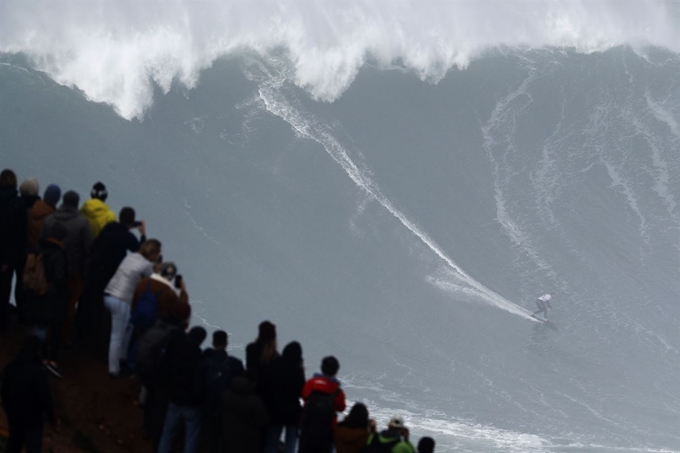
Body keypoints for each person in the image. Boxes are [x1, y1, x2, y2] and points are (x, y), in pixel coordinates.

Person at [77, 206, 145, 353]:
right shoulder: (127, 236)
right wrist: (143, 235)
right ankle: (98, 346)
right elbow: (141, 253)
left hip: (93, 272)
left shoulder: (109, 227)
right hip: (108, 277)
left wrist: (129, 225)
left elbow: (120, 229)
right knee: (104, 312)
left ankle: (79, 336)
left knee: (88, 303)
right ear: (131, 222)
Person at [136, 302, 191, 451]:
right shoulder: (176, 334)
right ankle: (157, 440)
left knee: (150, 402)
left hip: (149, 373)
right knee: (161, 411)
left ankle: (147, 430)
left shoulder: (160, 323)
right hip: (163, 379)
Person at [103, 239, 161, 377]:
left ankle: (122, 357)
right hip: (121, 300)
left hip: (108, 294)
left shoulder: (131, 256)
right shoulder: (146, 265)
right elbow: (153, 281)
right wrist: (157, 268)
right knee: (117, 335)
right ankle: (114, 369)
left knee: (129, 325)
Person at [42, 190, 93, 345]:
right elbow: (88, 250)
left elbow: (40, 242)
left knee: (45, 301)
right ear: (76, 204)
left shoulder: (49, 219)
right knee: (68, 307)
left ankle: (40, 337)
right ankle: (61, 340)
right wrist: (84, 273)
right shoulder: (82, 223)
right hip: (72, 272)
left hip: (47, 269)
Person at [25, 221, 70, 379]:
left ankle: (35, 355)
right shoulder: (58, 254)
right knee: (55, 329)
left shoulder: (36, 248)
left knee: (38, 326)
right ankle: (50, 361)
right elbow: (59, 278)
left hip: (34, 295)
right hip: (52, 299)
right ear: (60, 238)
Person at [1, 335, 56, 453]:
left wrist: (9, 410)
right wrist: (52, 418)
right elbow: (45, 397)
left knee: (13, 445)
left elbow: (4, 390)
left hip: (15, 415)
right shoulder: (38, 371)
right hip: (32, 419)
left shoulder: (12, 366)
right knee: (33, 448)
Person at [157, 326, 207, 453]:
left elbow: (168, 372)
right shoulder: (201, 359)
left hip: (175, 399)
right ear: (201, 340)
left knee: (167, 435)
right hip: (192, 404)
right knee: (191, 439)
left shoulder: (177, 352)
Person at [203, 330, 245, 453]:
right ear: (226, 343)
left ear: (213, 342)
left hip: (208, 406)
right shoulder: (235, 364)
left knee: (211, 441)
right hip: (228, 409)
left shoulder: (205, 362)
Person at [259, 341, 305, 453]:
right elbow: (301, 392)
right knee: (291, 444)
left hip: (275, 409)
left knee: (272, 443)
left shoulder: (274, 365)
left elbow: (266, 386)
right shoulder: (297, 371)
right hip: (292, 411)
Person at [299, 355, 347, 453]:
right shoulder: (337, 391)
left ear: (322, 368)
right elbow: (341, 407)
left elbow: (304, 396)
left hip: (308, 424)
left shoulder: (311, 383)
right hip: (327, 429)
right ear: (336, 371)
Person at [0, 169, 28, 331]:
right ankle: (2, 322)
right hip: (8, 256)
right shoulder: (19, 204)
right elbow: (19, 235)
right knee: (5, 288)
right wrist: (9, 260)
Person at [130, 261, 188, 333]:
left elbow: (133, 300)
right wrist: (183, 290)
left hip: (134, 320)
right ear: (173, 277)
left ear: (160, 270)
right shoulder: (170, 294)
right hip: (151, 330)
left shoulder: (144, 282)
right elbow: (182, 310)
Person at [14, 177, 41, 321]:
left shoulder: (18, 207)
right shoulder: (42, 209)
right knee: (32, 284)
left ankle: (20, 311)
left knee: (20, 281)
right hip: (35, 254)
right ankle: (29, 314)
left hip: (19, 251)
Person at [220, 375, 268, 453]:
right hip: (249, 439)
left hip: (228, 437)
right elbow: (262, 420)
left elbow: (218, 414)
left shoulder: (225, 396)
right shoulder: (254, 401)